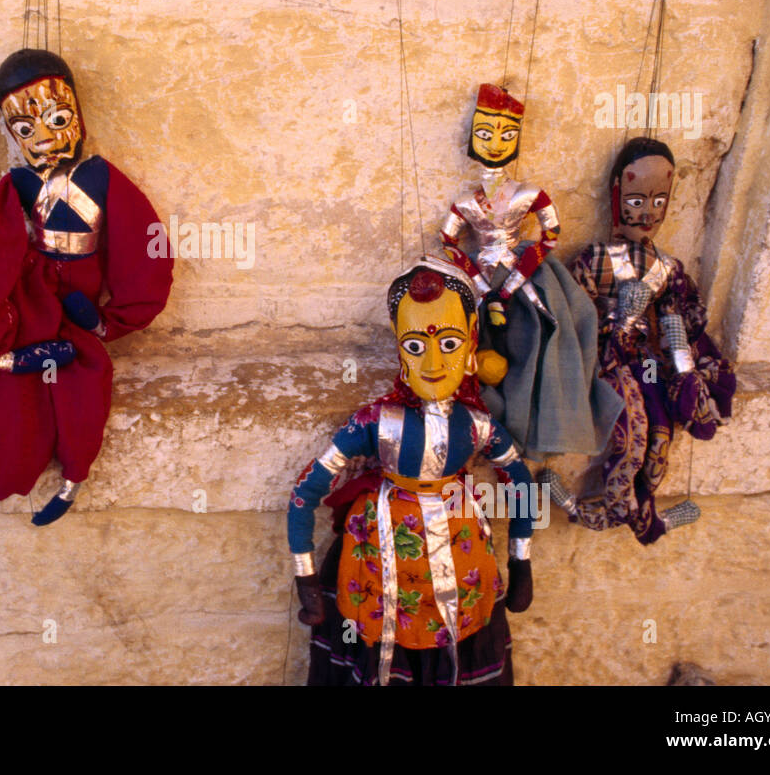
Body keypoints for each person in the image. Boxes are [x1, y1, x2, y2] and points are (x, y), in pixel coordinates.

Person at [287, 256, 535, 685]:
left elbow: (521, 482)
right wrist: (306, 579)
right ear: (400, 347)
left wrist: (522, 563)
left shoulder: (476, 426)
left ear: (473, 344)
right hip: (379, 568)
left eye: (451, 344)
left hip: (462, 566)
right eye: (416, 346)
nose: (434, 363)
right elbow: (304, 494)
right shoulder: (376, 425)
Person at [0, 49, 173, 525]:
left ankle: (72, 481)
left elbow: (143, 245)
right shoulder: (17, 183)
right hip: (33, 303)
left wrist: (106, 321)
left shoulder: (101, 176)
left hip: (79, 308)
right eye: (25, 129)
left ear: (77, 113)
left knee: (83, 391)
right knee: (6, 386)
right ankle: (3, 467)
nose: (45, 138)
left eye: (57, 118)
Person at [541, 137, 735, 544]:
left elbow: (676, 324)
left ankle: (632, 507)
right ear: (616, 196)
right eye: (635, 201)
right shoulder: (595, 260)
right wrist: (616, 323)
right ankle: (624, 511)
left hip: (645, 362)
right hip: (607, 360)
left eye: (658, 201)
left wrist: (687, 377)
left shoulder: (667, 269)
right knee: (632, 437)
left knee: (659, 435)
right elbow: (575, 317)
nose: (647, 212)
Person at [440, 84, 622, 459]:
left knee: (539, 335)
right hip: (483, 280)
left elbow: (551, 233)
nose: (494, 144)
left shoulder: (528, 195)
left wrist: (516, 280)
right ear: (473, 137)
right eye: (485, 134)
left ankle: (533, 415)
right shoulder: (465, 204)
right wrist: (477, 281)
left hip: (521, 278)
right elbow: (449, 240)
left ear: (517, 139)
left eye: (507, 135)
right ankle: (480, 421)